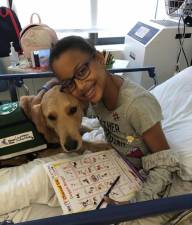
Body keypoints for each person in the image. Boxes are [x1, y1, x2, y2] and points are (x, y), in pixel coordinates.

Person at [34, 35, 169, 169]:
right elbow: (57, 82)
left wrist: (146, 191)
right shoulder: (94, 95)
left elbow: (165, 162)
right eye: (69, 83)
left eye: (82, 71)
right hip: (112, 163)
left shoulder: (137, 105)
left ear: (99, 59)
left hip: (141, 174)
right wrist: (43, 92)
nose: (80, 86)